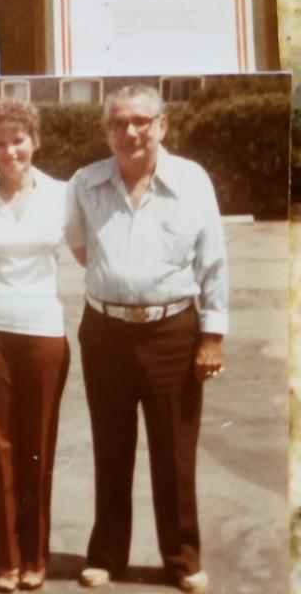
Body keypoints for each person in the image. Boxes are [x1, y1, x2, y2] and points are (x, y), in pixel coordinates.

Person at [65, 85, 228, 594]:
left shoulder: (192, 181)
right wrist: (120, 282)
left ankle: (181, 560)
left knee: (174, 451)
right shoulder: (86, 182)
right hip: (105, 331)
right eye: (118, 123)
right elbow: (78, 245)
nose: (130, 132)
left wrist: (212, 337)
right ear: (105, 131)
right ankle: (107, 556)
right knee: (111, 447)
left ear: (161, 125)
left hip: (173, 331)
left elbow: (214, 262)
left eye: (140, 121)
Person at [0, 99, 70, 593]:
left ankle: (36, 556)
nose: (10, 150)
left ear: (34, 141)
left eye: (18, 140)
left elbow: (91, 250)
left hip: (45, 332)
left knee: (37, 447)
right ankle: (7, 558)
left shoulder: (66, 194)